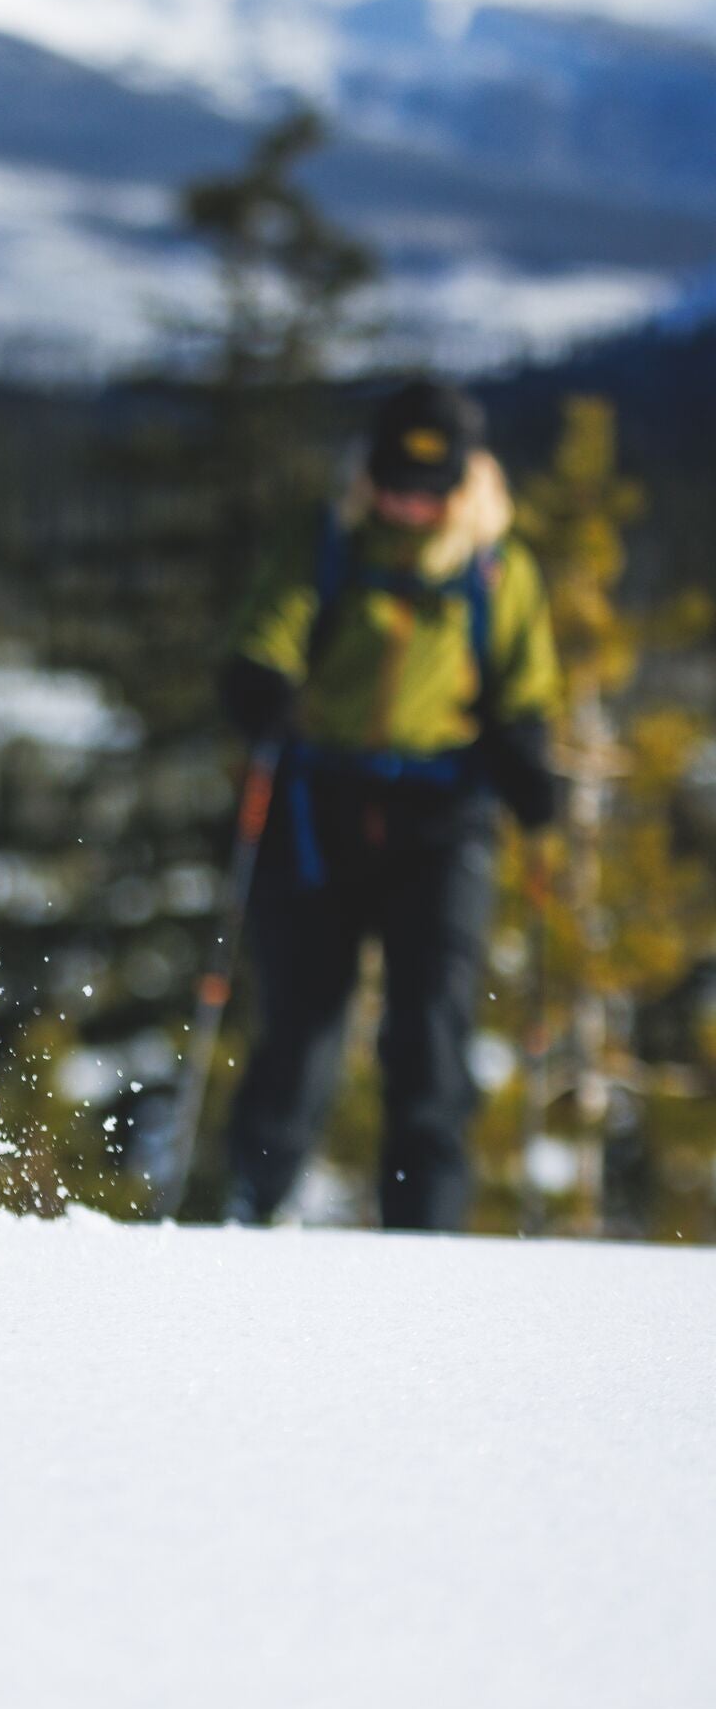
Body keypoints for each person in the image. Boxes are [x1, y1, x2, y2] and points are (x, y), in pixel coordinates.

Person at [219, 379, 561, 1232]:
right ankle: (253, 1210)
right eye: (396, 485)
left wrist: (527, 755)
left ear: (462, 481)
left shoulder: (498, 565)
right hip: (318, 807)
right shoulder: (327, 538)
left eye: (430, 489)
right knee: (302, 1027)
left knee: (432, 1031)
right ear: (370, 473)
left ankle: (426, 1235)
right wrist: (259, 678)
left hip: (445, 817)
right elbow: (271, 625)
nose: (410, 505)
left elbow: (526, 686)